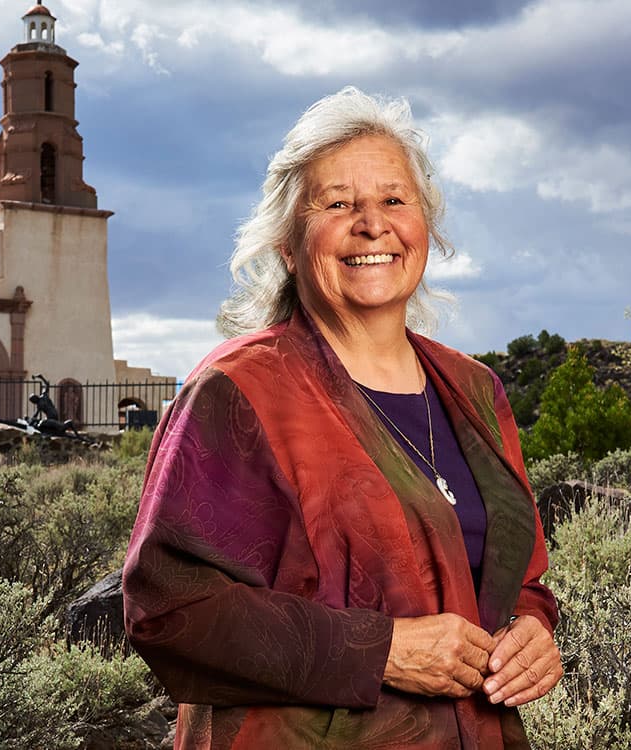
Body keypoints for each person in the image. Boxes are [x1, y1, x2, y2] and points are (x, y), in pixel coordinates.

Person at [121, 87, 561, 749]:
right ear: (291, 245)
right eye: (337, 204)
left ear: (426, 228)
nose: (372, 224)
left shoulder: (476, 391)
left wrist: (534, 629)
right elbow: (167, 608)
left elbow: (517, 578)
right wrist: (379, 651)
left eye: (393, 199)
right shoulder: (239, 390)